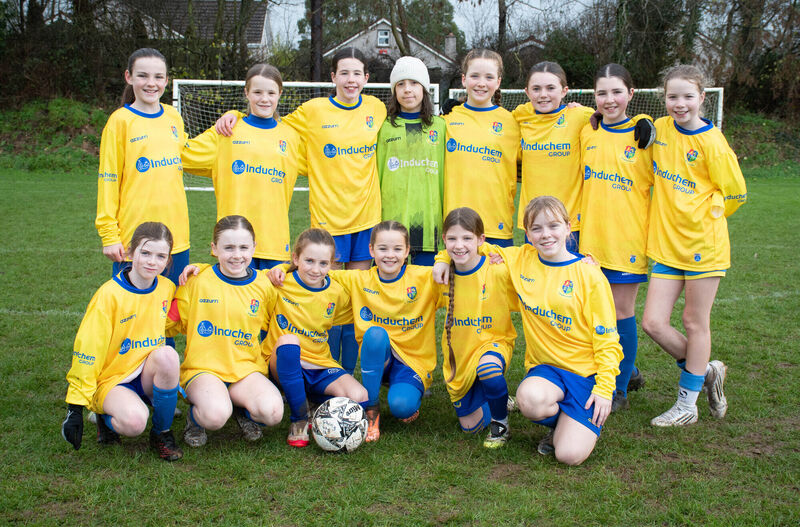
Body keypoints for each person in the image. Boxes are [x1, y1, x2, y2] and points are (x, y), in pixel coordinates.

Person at [216, 47, 386, 376]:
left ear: (366, 78)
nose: (350, 80)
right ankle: (328, 367)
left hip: (367, 218)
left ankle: (347, 373)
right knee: (330, 300)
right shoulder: (312, 111)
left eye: (357, 74)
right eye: (344, 73)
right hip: (328, 221)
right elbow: (268, 122)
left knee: (357, 302)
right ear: (333, 77)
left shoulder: (376, 109)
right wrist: (235, 116)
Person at [435, 197, 622, 465]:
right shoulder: (520, 259)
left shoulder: (589, 275)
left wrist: (605, 388)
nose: (546, 235)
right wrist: (442, 258)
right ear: (527, 234)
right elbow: (472, 244)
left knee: (568, 456)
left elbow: (607, 339)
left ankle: (575, 424)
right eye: (536, 228)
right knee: (528, 400)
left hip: (586, 374)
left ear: (569, 228)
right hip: (547, 370)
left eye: (554, 226)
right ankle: (564, 423)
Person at [642, 65, 747, 427]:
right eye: (673, 97)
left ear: (703, 98)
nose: (680, 104)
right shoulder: (663, 130)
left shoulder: (713, 143)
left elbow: (737, 193)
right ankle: (706, 373)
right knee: (653, 323)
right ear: (664, 99)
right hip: (668, 245)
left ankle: (687, 404)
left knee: (693, 321)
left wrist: (709, 210)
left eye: (688, 96)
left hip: (704, 243)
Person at [270, 221, 440, 442]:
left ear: (407, 251)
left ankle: (405, 396)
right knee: (375, 334)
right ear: (371, 250)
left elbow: (462, 271)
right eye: (382, 248)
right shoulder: (357, 279)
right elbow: (312, 271)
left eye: (397, 249)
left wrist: (444, 261)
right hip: (376, 351)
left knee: (398, 406)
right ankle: (369, 412)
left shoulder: (425, 277)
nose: (390, 255)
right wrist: (282, 268)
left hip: (411, 361)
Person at [62, 222, 183, 461]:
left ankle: (161, 434)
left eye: (160, 256)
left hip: (146, 371)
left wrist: (196, 275)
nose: (152, 261)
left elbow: (176, 320)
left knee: (169, 355)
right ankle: (104, 418)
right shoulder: (108, 295)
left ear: (168, 260)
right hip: (113, 379)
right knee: (134, 423)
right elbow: (88, 350)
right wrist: (75, 407)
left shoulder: (167, 288)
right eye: (145, 253)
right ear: (130, 252)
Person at [169, 215, 283, 447]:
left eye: (243, 247)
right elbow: (172, 324)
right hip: (204, 370)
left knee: (273, 413)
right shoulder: (197, 281)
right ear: (214, 248)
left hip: (245, 370)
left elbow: (272, 324)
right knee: (215, 415)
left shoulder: (263, 286)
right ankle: (195, 418)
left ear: (254, 248)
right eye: (228, 247)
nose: (237, 255)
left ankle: (241, 409)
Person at [579, 63, 654, 411]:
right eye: (602, 93)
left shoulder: (646, 137)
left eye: (617, 92)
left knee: (622, 311)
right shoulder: (587, 131)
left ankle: (620, 388)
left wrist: (650, 121)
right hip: (590, 239)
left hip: (627, 240)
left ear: (631, 94)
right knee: (595, 313)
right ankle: (629, 369)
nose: (609, 100)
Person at [182, 63, 305, 270]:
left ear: (280, 94)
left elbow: (325, 164)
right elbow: (181, 154)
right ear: (246, 93)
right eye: (257, 92)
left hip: (274, 241)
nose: (264, 99)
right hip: (233, 245)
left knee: (269, 301)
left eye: (271, 92)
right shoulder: (226, 132)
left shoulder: (292, 137)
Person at [261, 228, 367, 448]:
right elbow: (240, 279)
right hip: (283, 361)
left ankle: (313, 402)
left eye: (323, 263)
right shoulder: (278, 283)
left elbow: (370, 286)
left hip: (319, 363)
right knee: (290, 342)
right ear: (295, 258)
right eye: (309, 261)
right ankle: (299, 419)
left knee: (358, 396)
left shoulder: (336, 292)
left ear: (332, 264)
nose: (315, 270)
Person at [96, 48, 189, 286]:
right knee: (133, 313)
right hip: (135, 240)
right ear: (128, 77)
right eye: (143, 76)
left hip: (176, 237)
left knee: (172, 311)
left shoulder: (172, 117)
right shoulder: (119, 122)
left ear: (167, 81)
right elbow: (108, 180)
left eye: (158, 77)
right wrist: (109, 235)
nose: (151, 83)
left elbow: (189, 154)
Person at [437, 208, 518, 448]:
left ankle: (500, 423)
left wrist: (584, 264)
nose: (459, 245)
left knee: (488, 369)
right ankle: (501, 400)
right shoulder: (441, 275)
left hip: (494, 344)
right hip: (460, 360)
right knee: (469, 427)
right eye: (452, 239)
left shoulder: (498, 271)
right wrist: (441, 259)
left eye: (467, 238)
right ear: (444, 240)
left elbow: (533, 262)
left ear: (481, 240)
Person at [511, 61, 594, 253]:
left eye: (550, 88)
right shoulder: (521, 116)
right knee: (536, 279)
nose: (543, 95)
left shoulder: (580, 116)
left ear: (564, 91)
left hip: (568, 224)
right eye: (536, 89)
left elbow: (614, 118)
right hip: (533, 223)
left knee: (566, 281)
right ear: (527, 92)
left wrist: (643, 120)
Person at [443, 49, 520, 247]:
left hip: (497, 224)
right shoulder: (446, 121)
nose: (481, 83)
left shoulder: (513, 122)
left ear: (498, 82)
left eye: (489, 77)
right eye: (474, 76)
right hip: (456, 226)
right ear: (463, 79)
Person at [376, 57, 447, 265]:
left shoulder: (441, 126)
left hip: (428, 222)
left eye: (414, 83)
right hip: (391, 221)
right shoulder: (385, 127)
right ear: (394, 91)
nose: (407, 89)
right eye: (401, 84)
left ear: (424, 88)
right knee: (391, 288)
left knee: (425, 290)